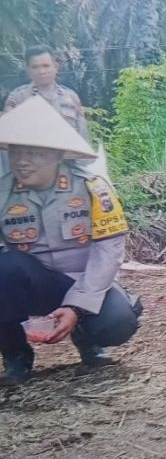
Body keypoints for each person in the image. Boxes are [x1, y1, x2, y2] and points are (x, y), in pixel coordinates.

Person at [0, 97, 142, 386]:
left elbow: (109, 250)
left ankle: (90, 342)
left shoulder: (92, 187)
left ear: (57, 155)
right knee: (5, 268)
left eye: (33, 153)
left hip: (82, 282)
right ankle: (15, 354)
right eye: (16, 153)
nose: (22, 162)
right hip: (34, 283)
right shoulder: (2, 192)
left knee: (118, 322)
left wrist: (77, 306)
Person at [1, 45, 89, 175]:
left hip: (67, 170)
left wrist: (84, 171)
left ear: (56, 67)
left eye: (46, 66)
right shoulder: (18, 98)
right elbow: (5, 138)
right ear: (28, 70)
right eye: (35, 67)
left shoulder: (71, 97)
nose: (41, 71)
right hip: (31, 172)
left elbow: (82, 136)